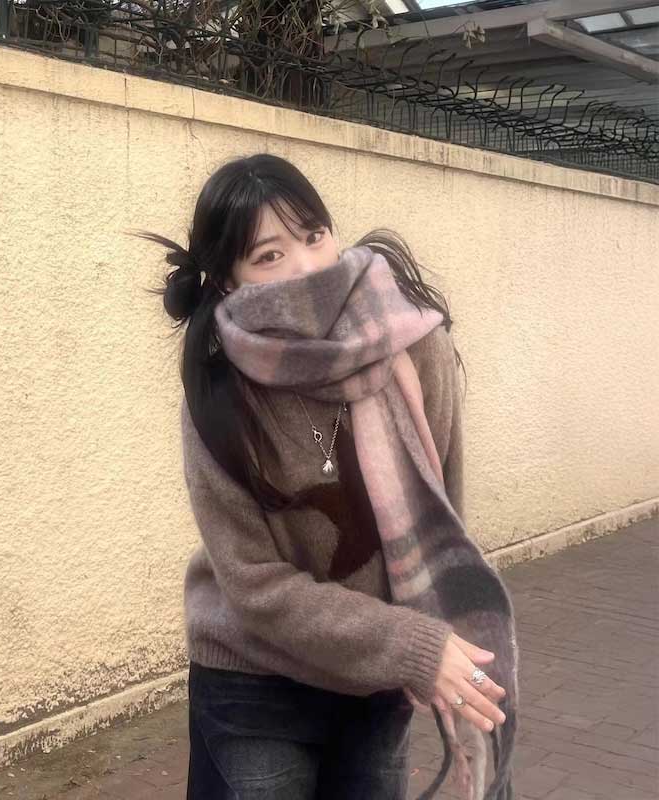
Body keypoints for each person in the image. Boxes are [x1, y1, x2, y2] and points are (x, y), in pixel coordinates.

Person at [135, 153, 517, 800]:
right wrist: (412, 646)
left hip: (374, 679)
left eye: (313, 236)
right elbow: (255, 585)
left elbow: (441, 524)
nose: (307, 267)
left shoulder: (415, 348)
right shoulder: (220, 392)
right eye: (269, 256)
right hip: (255, 680)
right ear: (227, 280)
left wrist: (443, 642)